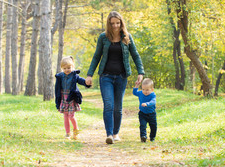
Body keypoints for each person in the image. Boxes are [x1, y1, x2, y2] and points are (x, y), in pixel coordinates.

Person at [85, 11, 145, 144]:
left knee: (118, 108)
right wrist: (89, 75)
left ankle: (116, 132)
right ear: (109, 24)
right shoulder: (103, 37)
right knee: (108, 105)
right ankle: (109, 134)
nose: (115, 26)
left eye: (117, 23)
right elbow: (96, 56)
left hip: (121, 77)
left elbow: (135, 55)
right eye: (112, 24)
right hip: (106, 76)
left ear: (121, 23)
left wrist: (140, 72)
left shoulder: (127, 37)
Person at [55, 56, 91, 139]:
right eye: (64, 68)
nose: (67, 70)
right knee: (65, 116)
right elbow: (57, 90)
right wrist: (57, 103)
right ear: (62, 68)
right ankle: (67, 133)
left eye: (69, 68)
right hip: (63, 98)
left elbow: (81, 80)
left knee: (71, 116)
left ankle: (76, 130)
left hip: (71, 98)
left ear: (73, 67)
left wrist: (86, 82)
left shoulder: (74, 75)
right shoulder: (59, 76)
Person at [133, 78, 157, 142]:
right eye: (143, 89)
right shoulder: (141, 93)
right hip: (142, 113)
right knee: (142, 125)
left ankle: (152, 137)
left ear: (152, 89)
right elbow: (134, 92)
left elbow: (153, 102)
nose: (145, 91)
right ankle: (143, 136)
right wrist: (137, 86)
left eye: (147, 90)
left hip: (151, 113)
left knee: (153, 126)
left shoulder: (152, 94)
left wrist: (147, 104)